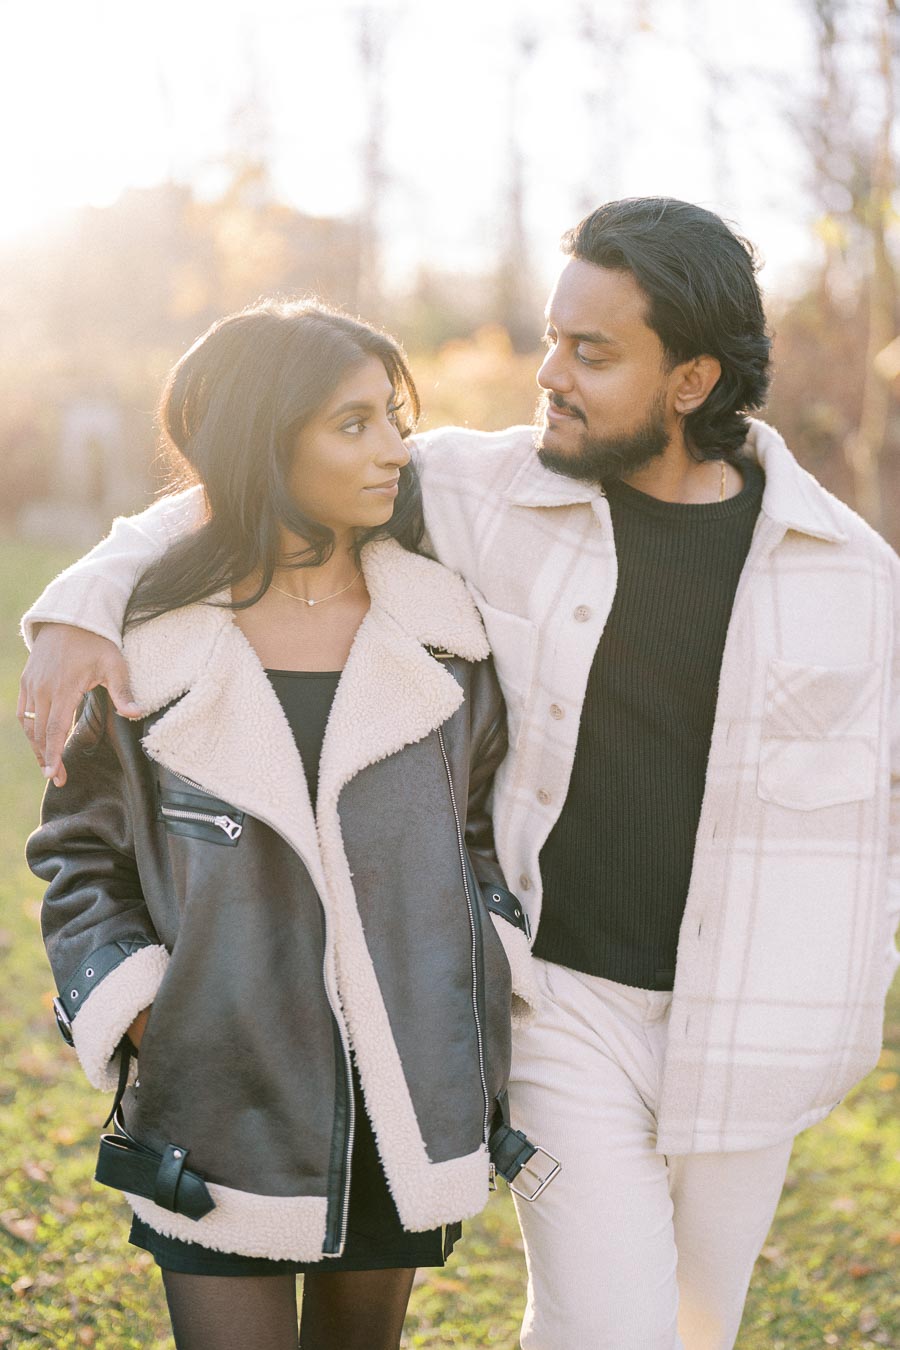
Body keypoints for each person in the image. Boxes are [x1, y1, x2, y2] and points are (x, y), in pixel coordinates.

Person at [21, 199, 900, 1350]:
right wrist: (81, 603)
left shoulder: (855, 576)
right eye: (551, 336)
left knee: (699, 1330)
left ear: (689, 381)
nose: (549, 374)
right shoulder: (485, 493)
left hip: (755, 1028)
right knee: (607, 1333)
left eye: (591, 352)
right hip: (567, 1007)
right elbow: (253, 466)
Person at [23, 301, 541, 1350]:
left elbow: (482, 829)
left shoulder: (448, 634)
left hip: (406, 1085)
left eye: (391, 418)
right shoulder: (142, 653)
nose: (396, 448)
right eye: (352, 425)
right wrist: (138, 1008)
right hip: (216, 1099)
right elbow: (79, 854)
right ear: (265, 438)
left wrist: (485, 957)